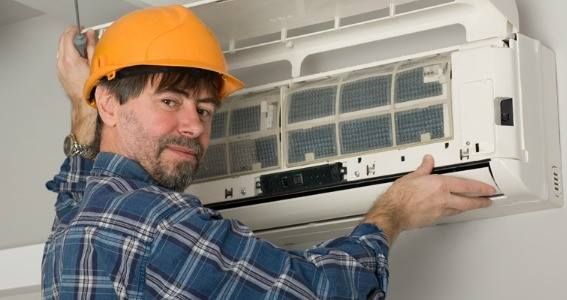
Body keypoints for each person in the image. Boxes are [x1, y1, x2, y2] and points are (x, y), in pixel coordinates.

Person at [44, 5, 495, 299]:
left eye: (204, 108)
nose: (193, 126)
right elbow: (320, 292)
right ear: (110, 103)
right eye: (170, 102)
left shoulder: (73, 232)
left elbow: (75, 195)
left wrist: (83, 107)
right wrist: (394, 211)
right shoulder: (162, 225)